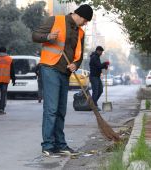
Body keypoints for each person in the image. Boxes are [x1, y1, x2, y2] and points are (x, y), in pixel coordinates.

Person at [32, 4, 93, 157]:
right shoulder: (55, 20)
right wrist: (48, 37)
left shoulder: (80, 32)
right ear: (78, 15)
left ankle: (60, 144)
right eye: (85, 20)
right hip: (50, 67)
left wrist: (75, 65)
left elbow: (79, 54)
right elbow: (35, 35)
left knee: (61, 110)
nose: (85, 24)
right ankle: (48, 145)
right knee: (51, 109)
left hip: (64, 72)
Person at [89, 46, 109, 111]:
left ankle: (92, 103)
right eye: (101, 52)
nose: (101, 53)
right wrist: (105, 63)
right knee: (95, 91)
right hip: (93, 77)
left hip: (97, 77)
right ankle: (94, 105)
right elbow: (98, 66)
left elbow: (99, 66)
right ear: (98, 51)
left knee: (100, 90)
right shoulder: (94, 57)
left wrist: (104, 66)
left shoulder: (97, 57)